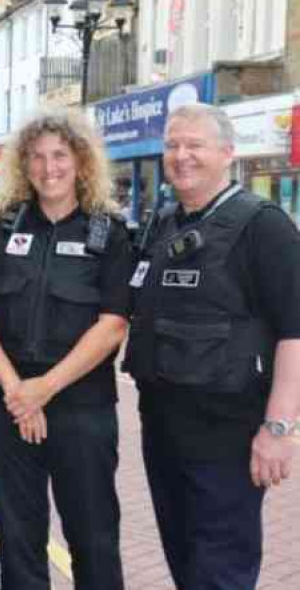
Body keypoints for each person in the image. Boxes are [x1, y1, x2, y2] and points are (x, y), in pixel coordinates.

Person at [122, 103, 300, 590]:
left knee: (221, 567)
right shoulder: (164, 224)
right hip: (163, 424)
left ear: (226, 152)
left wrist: (279, 428)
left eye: (194, 145)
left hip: (228, 431)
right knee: (184, 558)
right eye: (173, 145)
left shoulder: (264, 226)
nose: (181, 156)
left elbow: (294, 332)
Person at [0, 111, 130, 590]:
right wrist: (19, 391)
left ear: (81, 162)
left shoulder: (109, 234)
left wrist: (44, 389)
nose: (47, 167)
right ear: (22, 165)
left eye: (59, 155)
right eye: (35, 157)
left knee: (94, 538)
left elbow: (113, 325)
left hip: (82, 409)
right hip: (8, 404)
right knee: (17, 539)